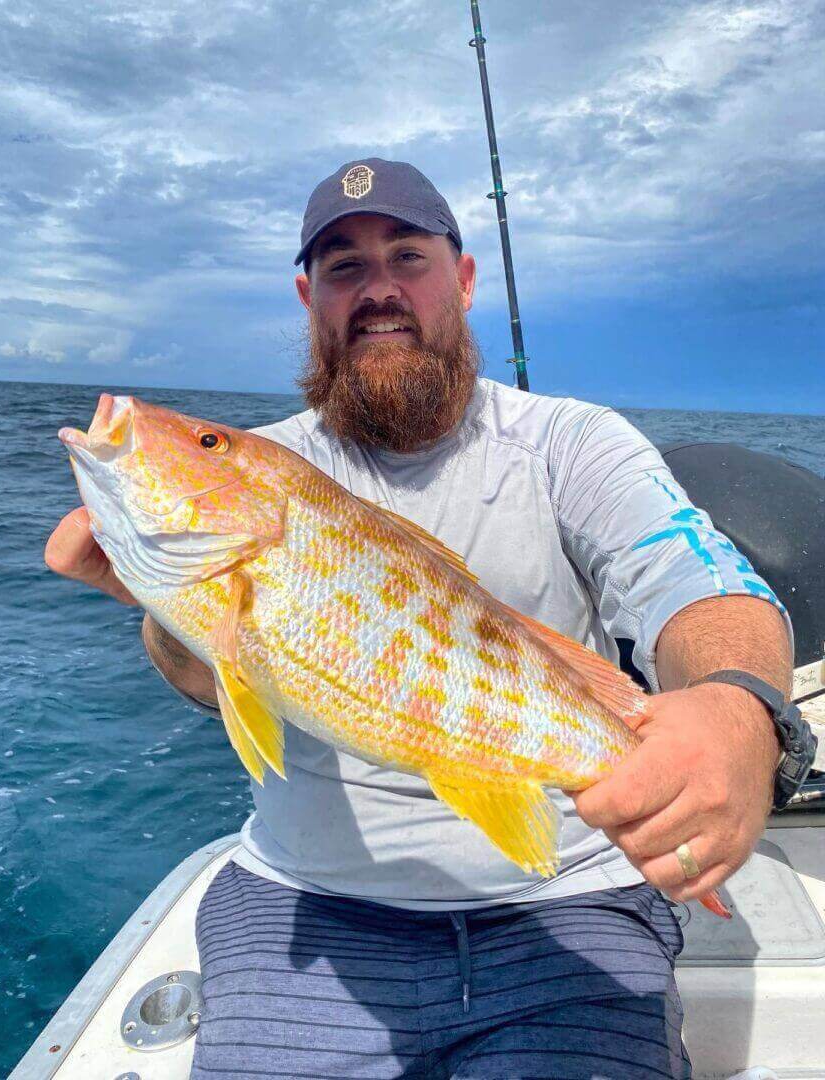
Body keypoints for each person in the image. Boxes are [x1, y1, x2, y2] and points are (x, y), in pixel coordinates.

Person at [46, 158, 797, 1079]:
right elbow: (218, 679)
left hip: (565, 901)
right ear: (308, 296)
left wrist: (739, 707)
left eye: (408, 255)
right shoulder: (273, 465)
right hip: (308, 906)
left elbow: (695, 578)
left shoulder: (569, 442)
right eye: (344, 268)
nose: (381, 290)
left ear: (466, 278)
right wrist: (160, 600)